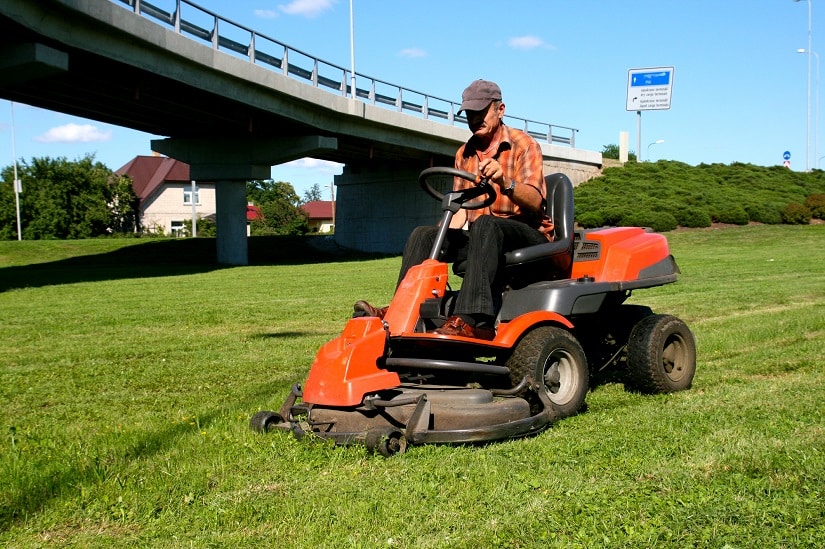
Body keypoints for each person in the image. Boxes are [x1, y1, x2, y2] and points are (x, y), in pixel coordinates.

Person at [354, 79, 554, 340]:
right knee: (423, 235)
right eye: (470, 114)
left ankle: (471, 320)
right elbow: (461, 209)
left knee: (485, 224)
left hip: (529, 238)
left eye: (481, 112)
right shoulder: (465, 153)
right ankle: (402, 308)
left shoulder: (524, 145)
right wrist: (441, 237)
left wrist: (505, 182)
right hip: (486, 238)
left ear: (500, 110)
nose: (475, 119)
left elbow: (536, 201)